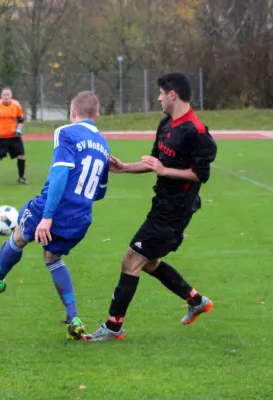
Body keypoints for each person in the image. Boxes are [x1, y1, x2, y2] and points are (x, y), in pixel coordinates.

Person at [83, 72, 217, 342]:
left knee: (131, 260)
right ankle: (196, 301)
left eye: (160, 93)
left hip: (176, 210)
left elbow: (200, 174)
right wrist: (123, 168)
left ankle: (113, 326)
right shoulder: (166, 124)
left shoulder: (196, 131)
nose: (158, 98)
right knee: (149, 262)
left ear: (173, 94)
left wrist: (165, 170)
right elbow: (153, 162)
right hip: (162, 204)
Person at [0, 91, 110, 340]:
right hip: (82, 216)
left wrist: (48, 216)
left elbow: (61, 174)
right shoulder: (104, 145)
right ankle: (73, 318)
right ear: (98, 116)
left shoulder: (65, 132)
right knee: (52, 256)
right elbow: (100, 193)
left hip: (52, 208)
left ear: (72, 113)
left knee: (20, 235)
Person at [0, 87, 27, 186]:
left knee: (21, 156)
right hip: (0, 138)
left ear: (11, 96)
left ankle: (21, 177)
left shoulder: (16, 105)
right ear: (1, 96)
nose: (6, 96)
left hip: (14, 136)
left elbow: (21, 118)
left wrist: (19, 129)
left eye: (8, 94)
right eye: (4, 94)